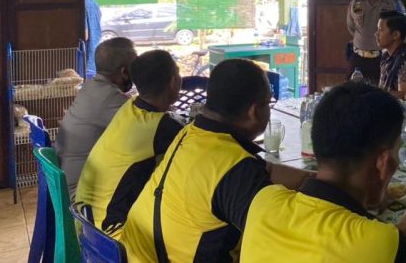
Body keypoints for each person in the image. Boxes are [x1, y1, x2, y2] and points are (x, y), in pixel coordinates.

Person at [240, 82, 406, 263]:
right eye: (397, 151)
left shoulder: (263, 203)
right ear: (383, 163)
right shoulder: (382, 245)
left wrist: (397, 236)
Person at [122, 59, 314, 261]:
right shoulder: (236, 171)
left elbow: (268, 170)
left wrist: (314, 180)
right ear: (254, 111)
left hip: (135, 254)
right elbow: (287, 236)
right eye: (268, 103)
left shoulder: (192, 134)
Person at [75, 50, 183, 239]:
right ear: (174, 82)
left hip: (88, 224)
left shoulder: (130, 107)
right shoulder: (161, 127)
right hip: (112, 235)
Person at [56, 37, 136, 198]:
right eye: (135, 68)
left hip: (68, 183)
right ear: (124, 72)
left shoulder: (90, 87)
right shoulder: (111, 98)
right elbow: (147, 132)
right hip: (83, 197)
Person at [347, 0, 406, 84]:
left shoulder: (393, 3)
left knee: (380, 91)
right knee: (352, 91)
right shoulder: (356, 2)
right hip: (358, 59)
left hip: (383, 58)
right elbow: (351, 27)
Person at [376, 10, 406, 101]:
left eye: (381, 30)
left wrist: (377, 94)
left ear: (395, 35)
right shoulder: (386, 56)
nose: (376, 34)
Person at [84, 0, 102, 78]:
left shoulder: (80, 5)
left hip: (86, 59)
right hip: (94, 56)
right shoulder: (94, 3)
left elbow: (85, 35)